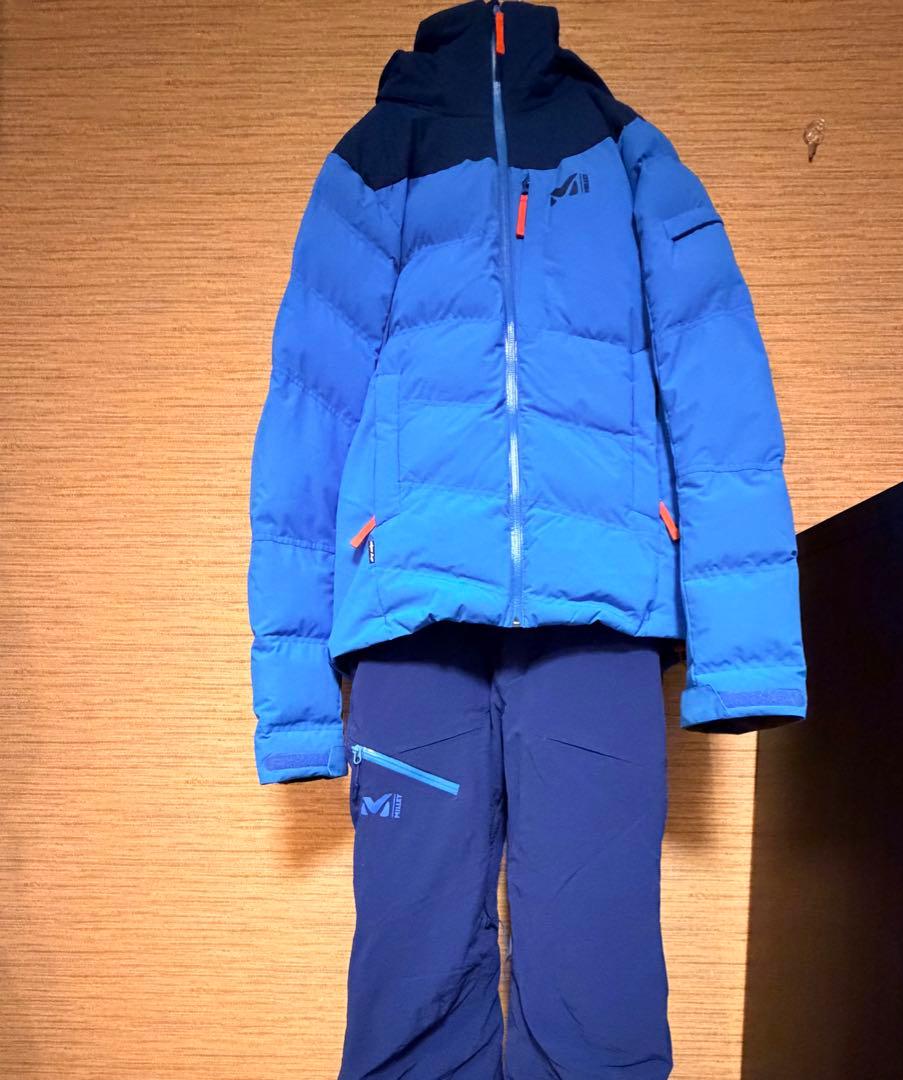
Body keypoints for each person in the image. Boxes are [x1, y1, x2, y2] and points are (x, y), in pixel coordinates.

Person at [246, 2, 807, 1076]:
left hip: (596, 618)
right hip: (409, 628)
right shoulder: (377, 161)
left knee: (597, 983)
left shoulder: (625, 154)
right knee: (410, 979)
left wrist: (745, 658)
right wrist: (297, 699)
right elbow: (307, 413)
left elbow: (717, 386)